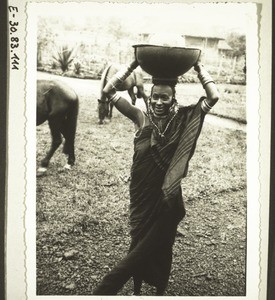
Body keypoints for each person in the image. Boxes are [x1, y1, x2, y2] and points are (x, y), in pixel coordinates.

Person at [93, 59, 219, 295]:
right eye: (155, 97)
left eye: (165, 97)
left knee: (162, 246)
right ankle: (138, 289)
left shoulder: (182, 120)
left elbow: (212, 97)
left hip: (165, 198)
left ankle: (157, 289)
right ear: (149, 98)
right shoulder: (140, 118)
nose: (159, 102)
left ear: (173, 99)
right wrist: (132, 65)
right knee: (137, 241)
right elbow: (108, 90)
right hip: (140, 196)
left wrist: (200, 68)